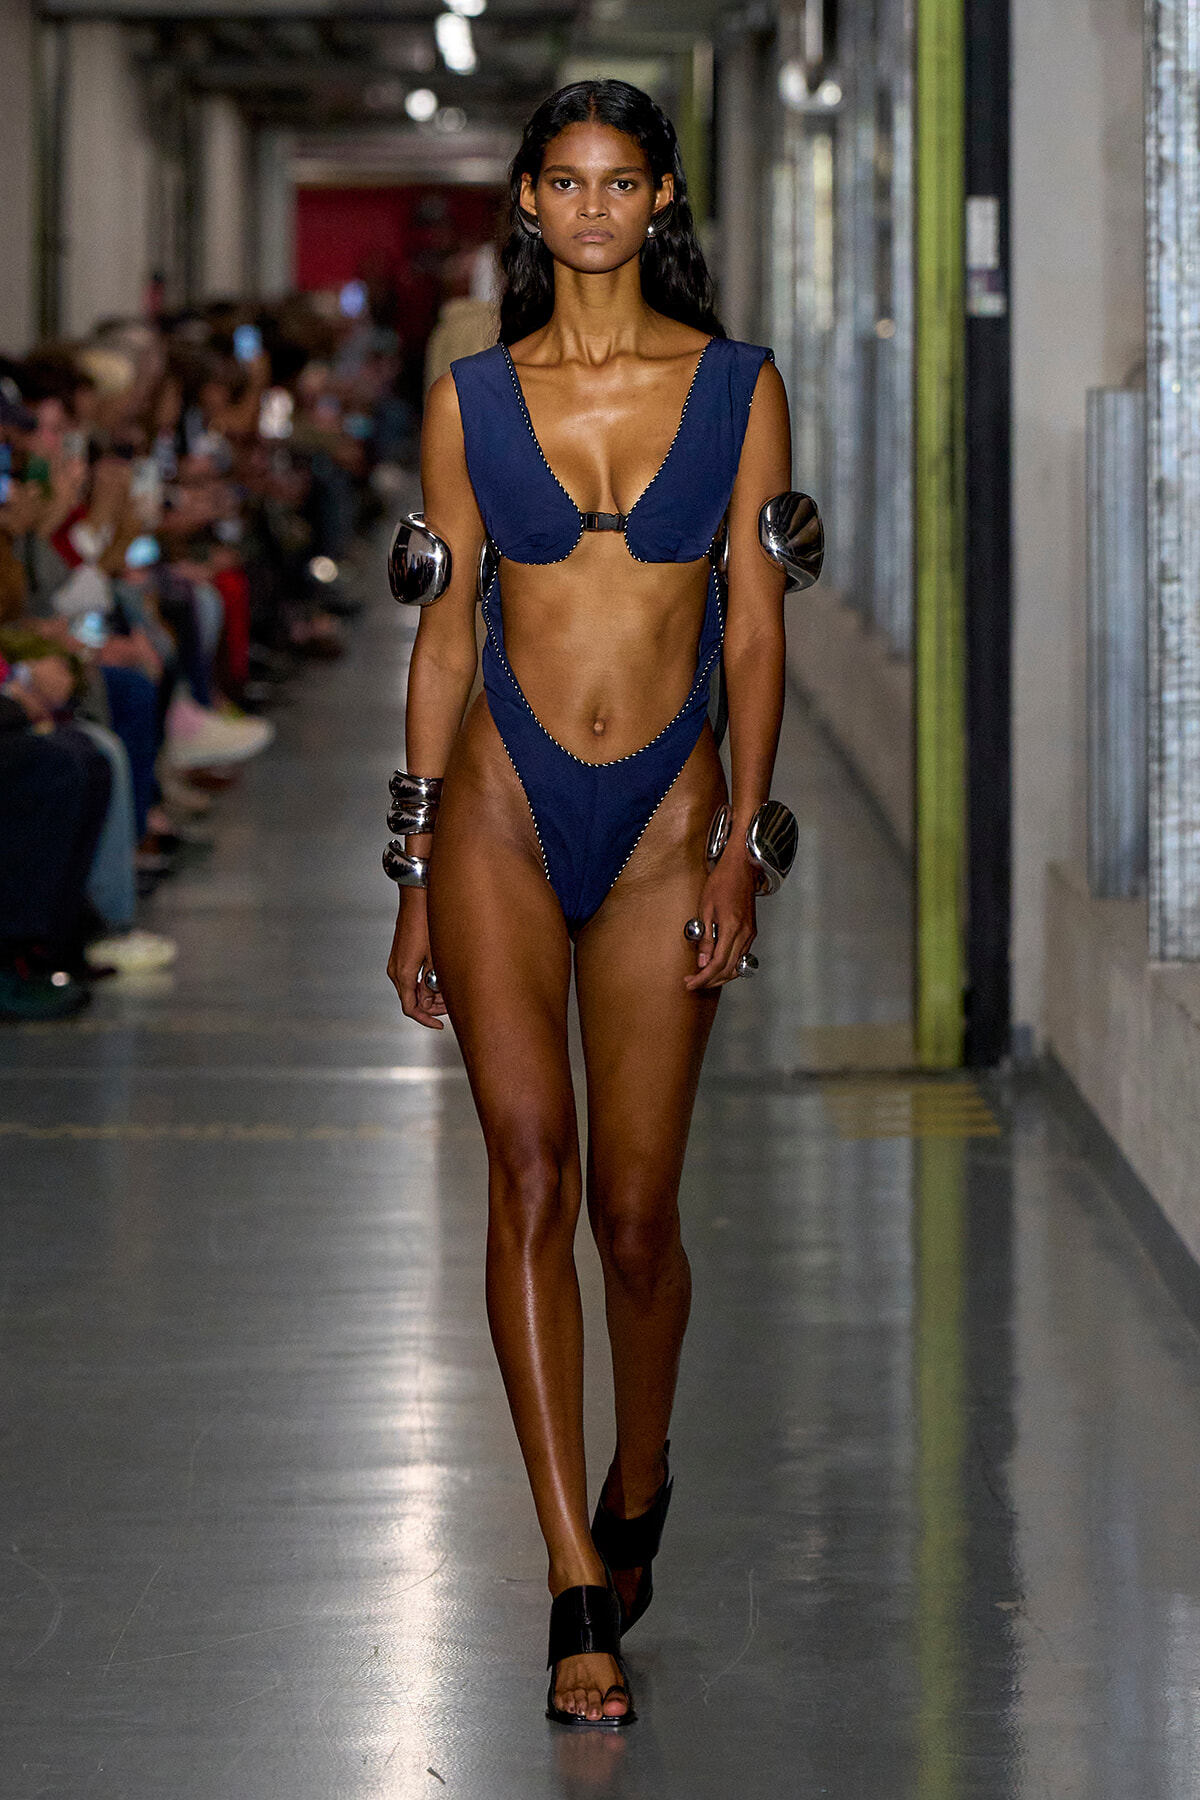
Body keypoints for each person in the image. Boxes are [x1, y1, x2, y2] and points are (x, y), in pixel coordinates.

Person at [386, 79, 791, 1728]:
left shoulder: (740, 387)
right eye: (567, 182)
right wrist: (410, 872)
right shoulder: (468, 397)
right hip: (498, 807)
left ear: (660, 199)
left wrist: (741, 847)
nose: (597, 209)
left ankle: (639, 1471)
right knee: (530, 1176)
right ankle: (571, 1574)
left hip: (663, 820)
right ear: (532, 206)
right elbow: (438, 633)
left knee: (636, 1214)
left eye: (625, 183)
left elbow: (755, 631)